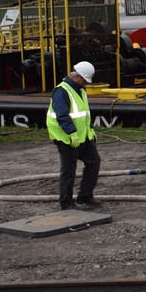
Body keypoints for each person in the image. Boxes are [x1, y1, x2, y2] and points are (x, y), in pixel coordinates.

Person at [46, 61, 102, 210]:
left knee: (94, 162)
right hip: (67, 138)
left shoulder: (80, 90)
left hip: (83, 136)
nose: (86, 84)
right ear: (77, 76)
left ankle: (85, 196)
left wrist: (90, 131)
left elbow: (84, 114)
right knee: (68, 170)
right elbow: (62, 115)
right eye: (84, 80)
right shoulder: (62, 91)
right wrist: (71, 133)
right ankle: (66, 202)